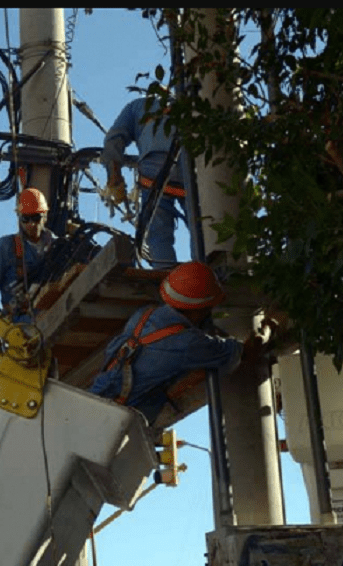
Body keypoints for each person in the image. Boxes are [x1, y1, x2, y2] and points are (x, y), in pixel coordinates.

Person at [89, 261, 255, 424]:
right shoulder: (188, 344)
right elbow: (237, 353)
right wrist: (262, 336)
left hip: (92, 403)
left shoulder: (144, 315)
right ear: (201, 308)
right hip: (116, 422)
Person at [101, 93, 187, 269]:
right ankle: (212, 271)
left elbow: (114, 140)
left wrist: (114, 176)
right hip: (190, 166)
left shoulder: (137, 106)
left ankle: (165, 275)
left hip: (154, 172)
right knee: (202, 225)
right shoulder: (187, 102)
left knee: (158, 234)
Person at [0, 187, 54, 324]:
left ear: (45, 217)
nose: (31, 224)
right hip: (19, 323)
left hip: (51, 317)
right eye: (25, 219)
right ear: (19, 219)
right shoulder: (6, 246)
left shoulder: (56, 248)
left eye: (36, 217)